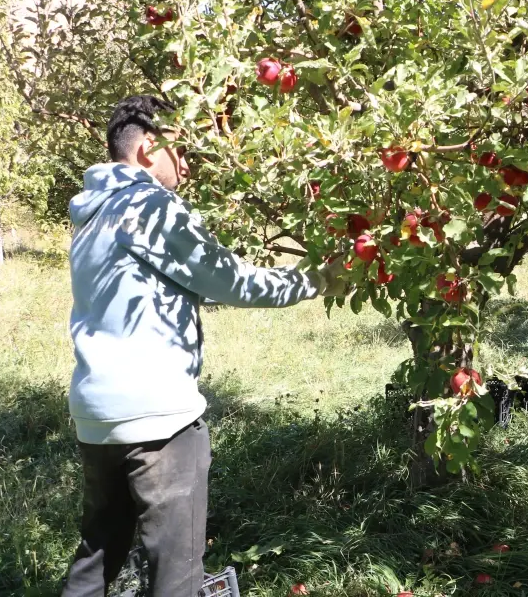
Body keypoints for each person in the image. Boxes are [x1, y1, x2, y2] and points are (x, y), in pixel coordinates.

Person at [61, 95, 346, 597]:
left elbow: (160, 289)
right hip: (159, 421)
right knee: (176, 574)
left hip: (97, 417)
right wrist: (320, 280)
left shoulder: (92, 214)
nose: (189, 164)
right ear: (149, 147)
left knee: (97, 555)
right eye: (183, 150)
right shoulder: (149, 206)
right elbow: (231, 281)